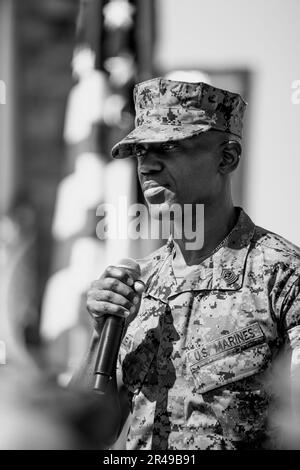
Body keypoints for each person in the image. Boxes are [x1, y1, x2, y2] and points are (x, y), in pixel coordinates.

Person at [76, 77, 300, 450]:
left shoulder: (283, 277)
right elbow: (85, 433)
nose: (147, 166)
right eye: (140, 152)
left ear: (226, 157)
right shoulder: (137, 284)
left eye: (168, 147)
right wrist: (101, 335)